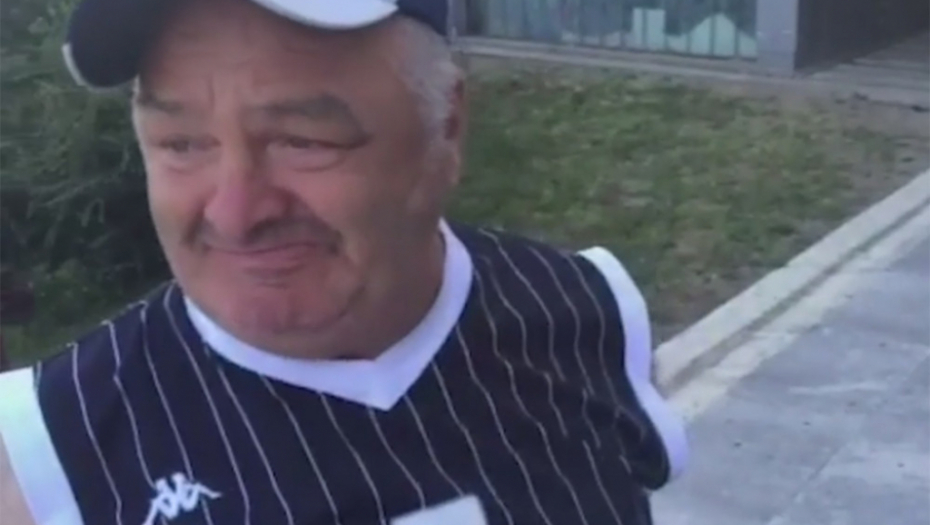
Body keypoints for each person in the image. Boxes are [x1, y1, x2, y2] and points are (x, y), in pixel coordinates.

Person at [0, 0, 689, 523]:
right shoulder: (48, 455)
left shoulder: (587, 317)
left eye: (303, 140)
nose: (235, 213)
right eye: (181, 144)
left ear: (446, 126)